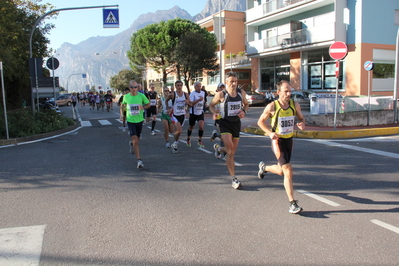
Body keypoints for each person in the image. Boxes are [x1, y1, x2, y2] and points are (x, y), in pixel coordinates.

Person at [256, 80, 305, 214]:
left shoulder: (295, 105)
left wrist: (301, 123)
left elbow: (301, 119)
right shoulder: (272, 106)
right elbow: (260, 122)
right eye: (286, 91)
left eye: (290, 91)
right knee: (288, 169)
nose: (289, 94)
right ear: (278, 93)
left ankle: (264, 168)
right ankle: (292, 203)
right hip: (277, 141)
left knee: (282, 171)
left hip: (289, 140)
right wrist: (270, 133)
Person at [209, 72, 249, 189]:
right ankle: (234, 179)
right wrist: (214, 113)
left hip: (236, 123)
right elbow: (211, 105)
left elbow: (246, 104)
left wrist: (244, 112)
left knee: (232, 152)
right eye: (231, 81)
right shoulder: (221, 94)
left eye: (235, 81)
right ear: (226, 82)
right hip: (224, 123)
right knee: (230, 150)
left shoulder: (241, 93)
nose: (234, 84)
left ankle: (218, 148)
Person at [120, 80, 151, 169]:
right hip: (130, 121)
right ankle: (139, 160)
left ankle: (132, 144)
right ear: (129, 88)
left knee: (137, 139)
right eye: (132, 87)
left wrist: (143, 107)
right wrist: (122, 114)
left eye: (136, 87)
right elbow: (122, 106)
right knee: (135, 141)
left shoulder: (141, 96)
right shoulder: (125, 97)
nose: (134, 89)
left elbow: (148, 104)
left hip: (139, 120)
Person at [165, 80, 189, 154]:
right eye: (178, 85)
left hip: (182, 115)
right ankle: (175, 143)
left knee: (178, 132)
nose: (179, 87)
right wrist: (168, 109)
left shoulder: (185, 94)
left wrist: (187, 102)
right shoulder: (172, 94)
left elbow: (190, 103)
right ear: (175, 86)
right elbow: (166, 101)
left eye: (180, 85)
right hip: (174, 115)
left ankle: (175, 142)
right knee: (179, 130)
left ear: (182, 86)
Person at [210, 83, 226, 159]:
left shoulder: (226, 96)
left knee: (226, 136)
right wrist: (214, 112)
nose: (222, 89)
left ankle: (216, 138)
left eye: (223, 87)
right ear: (218, 89)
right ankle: (224, 153)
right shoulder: (217, 96)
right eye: (221, 87)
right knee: (224, 137)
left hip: (226, 119)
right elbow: (211, 105)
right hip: (218, 118)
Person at [187, 82, 206, 148]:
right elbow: (191, 103)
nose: (199, 88)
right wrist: (198, 100)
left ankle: (200, 140)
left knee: (201, 126)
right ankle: (188, 138)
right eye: (197, 86)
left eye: (200, 86)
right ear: (195, 87)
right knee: (191, 127)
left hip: (200, 112)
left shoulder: (203, 93)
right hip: (193, 113)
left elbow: (203, 101)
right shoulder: (192, 94)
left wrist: (205, 105)